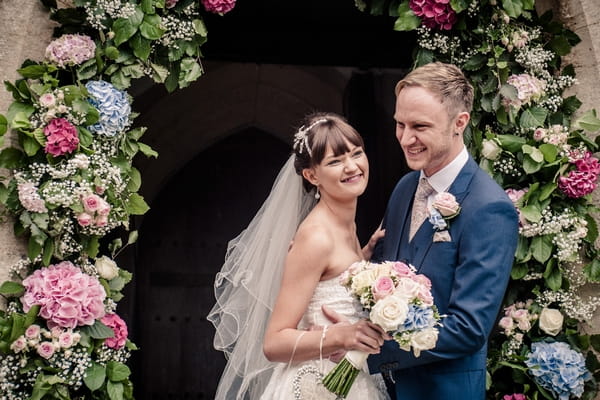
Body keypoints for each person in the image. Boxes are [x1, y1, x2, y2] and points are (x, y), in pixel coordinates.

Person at [354, 62, 518, 399]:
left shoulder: (489, 207)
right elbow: (386, 282)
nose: (405, 138)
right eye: (400, 124)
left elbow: (469, 328)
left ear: (460, 123)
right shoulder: (403, 189)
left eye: (420, 126)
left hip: (444, 390)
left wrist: (371, 350)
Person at [207, 112, 390, 400]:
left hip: (350, 382)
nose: (352, 166)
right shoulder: (315, 236)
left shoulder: (347, 226)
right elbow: (275, 342)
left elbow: (331, 281)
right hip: (311, 386)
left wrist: (365, 261)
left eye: (356, 153)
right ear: (311, 174)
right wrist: (338, 337)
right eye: (335, 161)